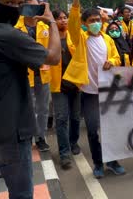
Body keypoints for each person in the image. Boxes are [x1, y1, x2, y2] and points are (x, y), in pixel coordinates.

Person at [0, 0, 61, 199]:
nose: (15, 8)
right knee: (22, 193)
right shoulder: (5, 34)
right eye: (8, 2)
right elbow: (53, 57)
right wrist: (52, 22)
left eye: (19, 3)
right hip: (10, 133)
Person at [63, 0, 126, 179]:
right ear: (84, 23)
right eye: (92, 20)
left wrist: (111, 61)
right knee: (92, 130)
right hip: (89, 94)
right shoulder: (79, 37)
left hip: (109, 91)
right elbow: (72, 20)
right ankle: (98, 164)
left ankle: (113, 162)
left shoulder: (108, 39)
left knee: (111, 129)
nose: (96, 23)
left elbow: (117, 57)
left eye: (98, 20)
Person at [14, 0, 53, 152]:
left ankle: (40, 137)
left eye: (36, 7)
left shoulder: (45, 26)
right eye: (29, 7)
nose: (32, 10)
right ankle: (26, 136)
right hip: (23, 75)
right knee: (27, 107)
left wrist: (49, 16)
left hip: (42, 74)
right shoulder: (16, 27)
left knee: (43, 108)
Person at [50, 9, 82, 169]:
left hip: (75, 84)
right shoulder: (49, 38)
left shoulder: (74, 35)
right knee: (62, 119)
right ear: (53, 21)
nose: (63, 20)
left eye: (65, 17)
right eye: (59, 18)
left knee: (76, 117)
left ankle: (73, 142)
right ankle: (64, 153)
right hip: (58, 86)